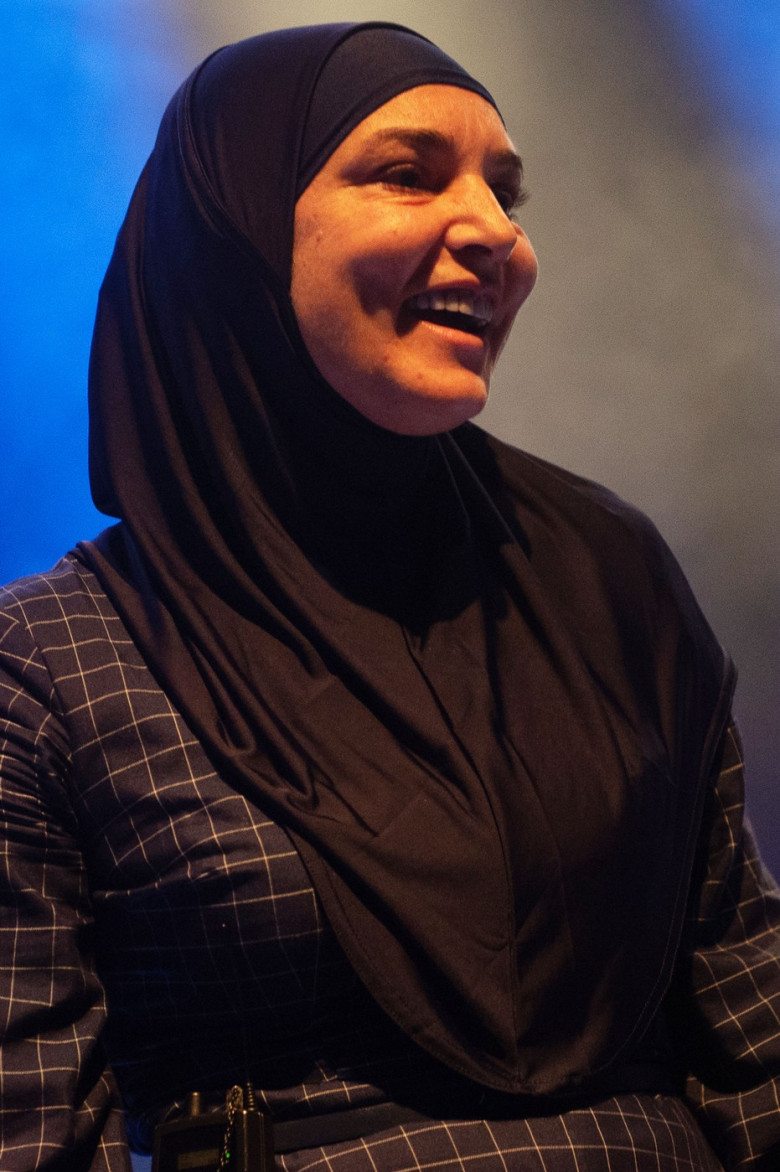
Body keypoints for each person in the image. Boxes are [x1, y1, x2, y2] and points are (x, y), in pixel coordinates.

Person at [1, 21, 779, 1172]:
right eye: (408, 175)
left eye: (506, 193)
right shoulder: (56, 664)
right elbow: (30, 1127)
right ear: (241, 234)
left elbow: (751, 1026)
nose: (494, 234)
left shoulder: (611, 577)